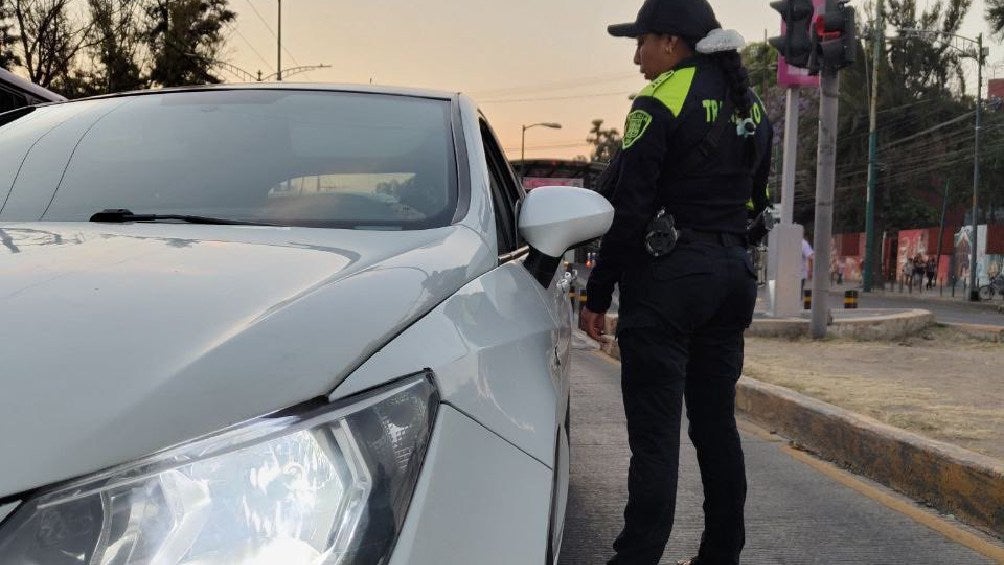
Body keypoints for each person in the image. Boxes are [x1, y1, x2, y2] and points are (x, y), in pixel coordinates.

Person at [579, 1, 773, 563]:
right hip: (733, 275)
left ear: (670, 41)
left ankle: (637, 556)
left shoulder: (660, 97)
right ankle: (721, 554)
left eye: (641, 42)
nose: (637, 56)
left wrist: (597, 292)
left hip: (669, 279)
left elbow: (631, 206)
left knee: (656, 435)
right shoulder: (752, 105)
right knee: (716, 427)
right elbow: (756, 200)